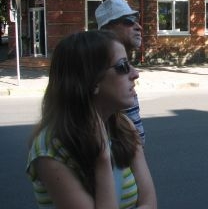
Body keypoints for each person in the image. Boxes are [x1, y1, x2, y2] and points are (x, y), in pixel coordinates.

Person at [26, 30, 157, 209]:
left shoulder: (123, 126)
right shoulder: (50, 150)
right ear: (92, 80)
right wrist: (102, 160)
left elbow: (149, 203)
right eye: (122, 66)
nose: (135, 73)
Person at [95, 0, 146, 145]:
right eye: (129, 20)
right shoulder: (99, 69)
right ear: (108, 28)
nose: (139, 27)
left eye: (137, 20)